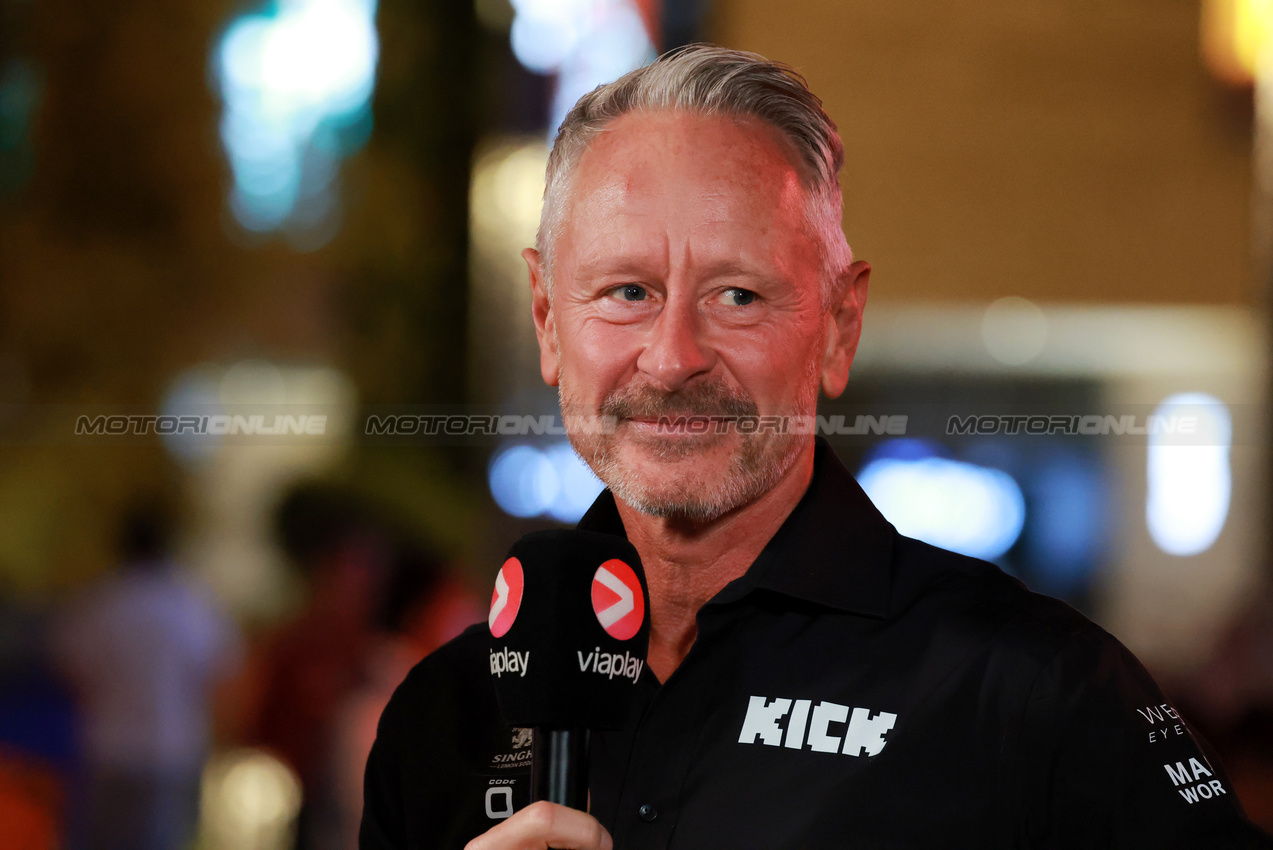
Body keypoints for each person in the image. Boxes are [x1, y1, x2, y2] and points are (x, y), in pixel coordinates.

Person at [360, 45, 1273, 848]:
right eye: (626, 291)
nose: (673, 357)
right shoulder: (443, 715)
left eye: (738, 297)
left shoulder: (1035, 689)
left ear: (838, 326)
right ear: (547, 320)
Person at [52, 497, 241, 850]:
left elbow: (69, 668)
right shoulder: (190, 605)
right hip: (169, 754)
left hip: (108, 749)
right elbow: (222, 675)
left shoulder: (100, 602)